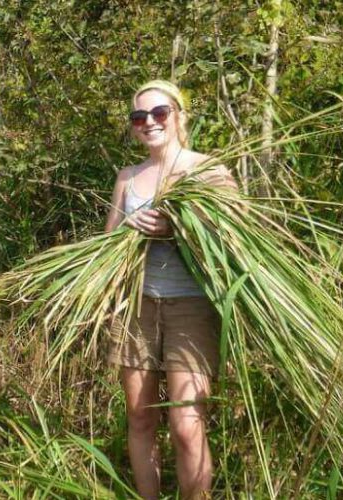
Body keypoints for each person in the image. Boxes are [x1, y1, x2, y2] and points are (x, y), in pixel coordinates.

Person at [104, 80, 236, 500]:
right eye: (139, 117)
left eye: (159, 113)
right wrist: (128, 228)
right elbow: (105, 245)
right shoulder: (128, 177)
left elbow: (234, 240)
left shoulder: (209, 171)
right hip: (136, 306)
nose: (149, 122)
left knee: (186, 424)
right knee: (140, 418)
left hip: (192, 307)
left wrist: (177, 230)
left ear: (179, 116)